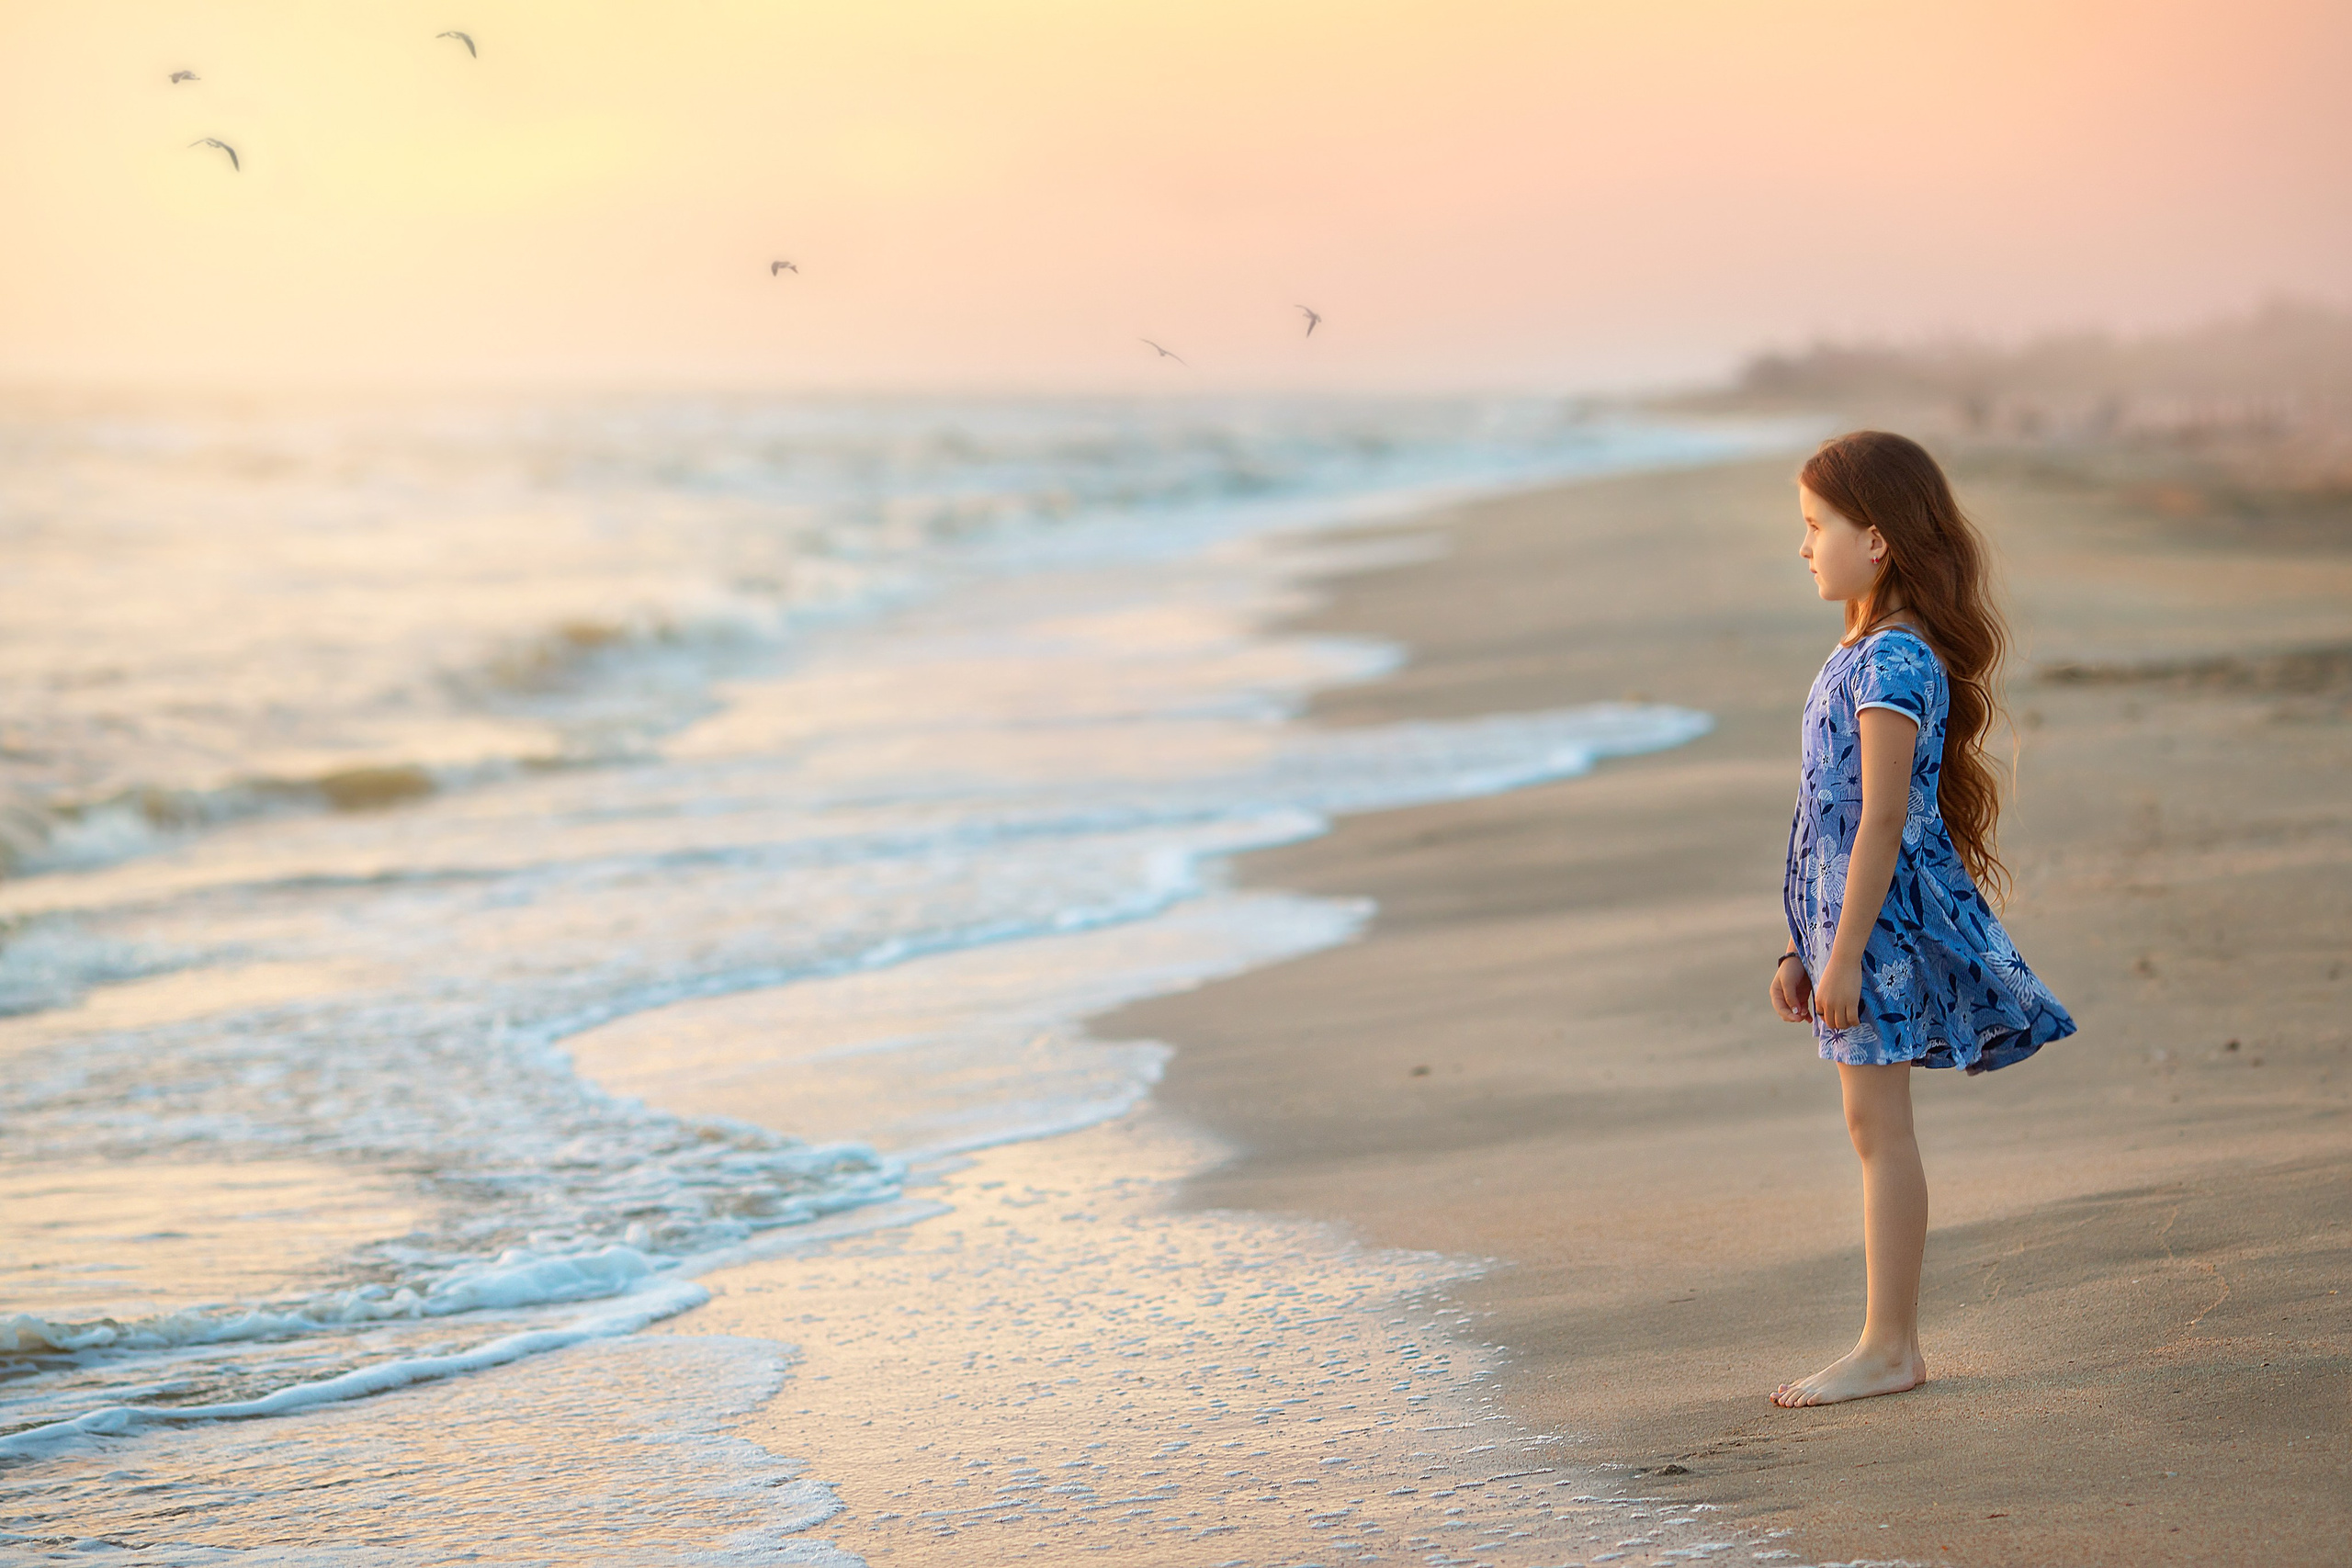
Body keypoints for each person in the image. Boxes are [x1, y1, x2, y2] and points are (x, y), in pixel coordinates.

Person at [1768, 430, 2075, 1408]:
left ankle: (1889, 1345)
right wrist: (1800, 944)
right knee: (1871, 1127)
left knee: (1877, 1131)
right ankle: (1886, 1340)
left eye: (1817, 526)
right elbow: (1827, 814)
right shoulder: (1858, 649)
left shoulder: (1895, 660)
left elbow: (1886, 818)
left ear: (1879, 539)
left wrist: (1848, 952)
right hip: (1847, 924)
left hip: (1881, 928)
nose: (1804, 546)